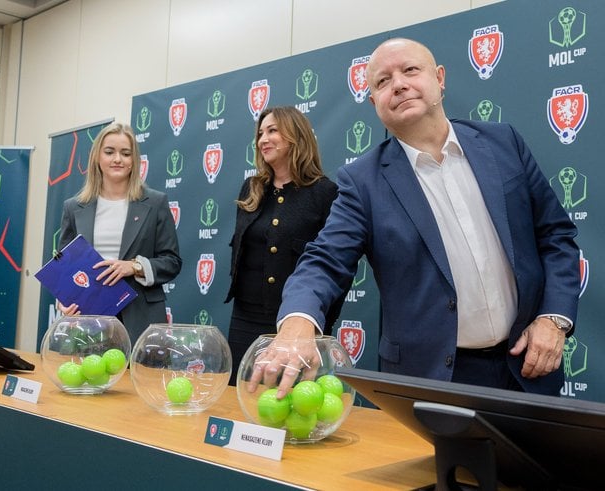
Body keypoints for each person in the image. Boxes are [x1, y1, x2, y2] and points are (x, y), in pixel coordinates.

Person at [250, 38, 580, 398]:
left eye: (410, 70)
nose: (399, 84)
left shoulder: (503, 143)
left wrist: (554, 319)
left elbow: (555, 237)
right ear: (375, 102)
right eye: (383, 81)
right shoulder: (363, 181)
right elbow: (325, 261)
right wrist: (298, 320)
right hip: (430, 381)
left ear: (439, 78)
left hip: (528, 368)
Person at [225, 106, 345, 385]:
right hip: (244, 318)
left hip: (295, 322)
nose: (262, 139)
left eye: (272, 130)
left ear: (296, 136)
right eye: (260, 133)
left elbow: (333, 263)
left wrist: (318, 324)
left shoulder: (324, 192)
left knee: (292, 402)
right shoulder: (251, 188)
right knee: (243, 394)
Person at [57, 122, 182, 344]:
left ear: (134, 161)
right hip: (88, 317)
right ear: (97, 157)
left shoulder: (155, 202)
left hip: (140, 318)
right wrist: (63, 300)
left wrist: (133, 266)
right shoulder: (74, 207)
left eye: (126, 153)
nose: (118, 159)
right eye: (109, 152)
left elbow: (172, 262)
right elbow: (63, 266)